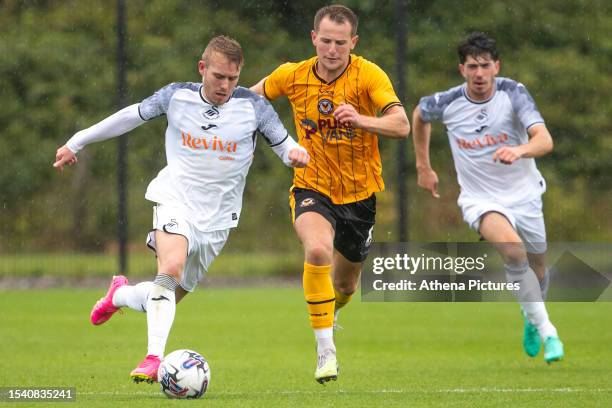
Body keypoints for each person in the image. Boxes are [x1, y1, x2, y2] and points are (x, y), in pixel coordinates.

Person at [53, 35, 309, 383]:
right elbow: (130, 116)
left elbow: (284, 145)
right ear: (202, 68)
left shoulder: (253, 107)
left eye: (233, 78)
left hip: (218, 218)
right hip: (175, 197)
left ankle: (122, 294)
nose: (225, 85)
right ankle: (153, 358)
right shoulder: (176, 96)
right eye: (218, 76)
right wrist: (76, 141)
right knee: (169, 267)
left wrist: (295, 154)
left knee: (168, 295)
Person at [251, 5, 410, 383]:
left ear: (353, 42)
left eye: (341, 42)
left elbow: (401, 124)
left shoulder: (368, 74)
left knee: (344, 285)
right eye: (325, 41)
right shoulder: (291, 75)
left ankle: (331, 313)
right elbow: (249, 103)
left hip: (359, 196)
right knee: (318, 249)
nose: (332, 49)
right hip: (311, 186)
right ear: (313, 39)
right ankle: (326, 353)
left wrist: (361, 119)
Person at [412, 32, 564, 363]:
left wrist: (520, 149)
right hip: (480, 199)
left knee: (538, 267)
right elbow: (420, 115)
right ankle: (549, 330)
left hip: (524, 196)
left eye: (484, 65)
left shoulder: (513, 93)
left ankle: (531, 316)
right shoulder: (448, 101)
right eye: (471, 66)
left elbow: (545, 140)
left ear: (496, 66)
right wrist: (424, 167)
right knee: (513, 250)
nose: (479, 73)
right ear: (461, 69)